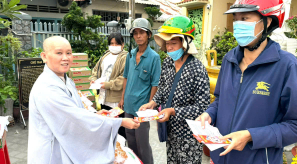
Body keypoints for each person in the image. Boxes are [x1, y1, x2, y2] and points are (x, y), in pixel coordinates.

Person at [196, 0, 297, 164]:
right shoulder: (229, 59)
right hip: (220, 158)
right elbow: (220, 100)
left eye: (245, 19)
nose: (237, 24)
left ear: (267, 22)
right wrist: (209, 114)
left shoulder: (287, 66)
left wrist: (251, 136)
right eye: (235, 18)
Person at [28, 36, 140, 164]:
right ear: (44, 56)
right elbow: (75, 120)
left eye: (69, 53)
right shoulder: (47, 88)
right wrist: (119, 122)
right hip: (53, 152)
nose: (65, 58)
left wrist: (93, 115)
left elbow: (77, 110)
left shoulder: (66, 80)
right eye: (59, 53)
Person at [139, 15, 210, 163]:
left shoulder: (197, 69)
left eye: (174, 43)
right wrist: (153, 103)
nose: (169, 47)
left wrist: (174, 111)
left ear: (185, 43)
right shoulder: (167, 63)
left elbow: (203, 107)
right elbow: (163, 88)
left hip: (189, 136)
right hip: (170, 131)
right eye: (167, 43)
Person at [119, 18, 161, 164]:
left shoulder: (154, 58)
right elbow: (125, 77)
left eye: (141, 32)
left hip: (142, 108)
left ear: (149, 34)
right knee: (130, 142)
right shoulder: (130, 55)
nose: (138, 36)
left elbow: (155, 84)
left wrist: (150, 105)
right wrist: (122, 98)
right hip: (128, 105)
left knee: (142, 143)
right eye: (135, 33)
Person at [89, 32, 128, 138]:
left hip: (115, 99)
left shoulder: (125, 57)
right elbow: (96, 71)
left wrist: (107, 85)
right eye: (111, 43)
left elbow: (123, 78)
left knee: (118, 127)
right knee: (106, 125)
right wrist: (93, 80)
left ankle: (121, 149)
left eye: (117, 44)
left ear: (123, 44)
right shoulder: (105, 56)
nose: (114, 46)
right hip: (103, 97)